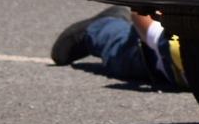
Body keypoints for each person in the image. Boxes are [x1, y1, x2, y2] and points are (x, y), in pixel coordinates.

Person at [50, 6, 186, 90]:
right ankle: (100, 26)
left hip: (167, 48)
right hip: (150, 56)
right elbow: (141, 13)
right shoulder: (181, 47)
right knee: (118, 50)